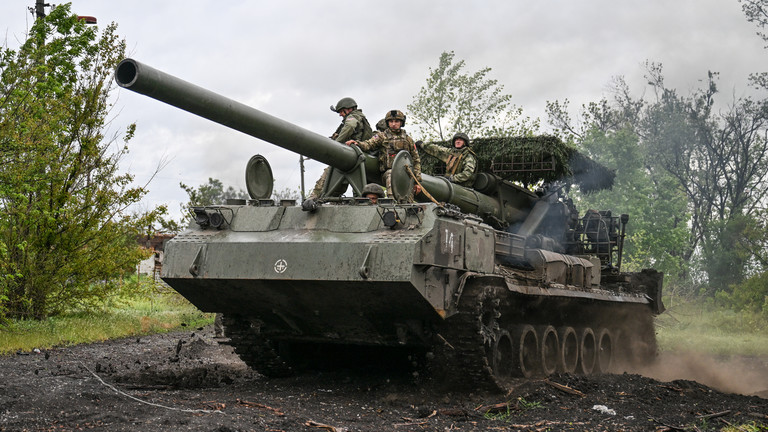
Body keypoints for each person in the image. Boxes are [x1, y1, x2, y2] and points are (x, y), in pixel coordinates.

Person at [306, 97, 373, 203]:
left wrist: (335, 144)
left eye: (341, 111)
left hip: (353, 153)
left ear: (349, 109)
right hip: (354, 154)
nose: (340, 114)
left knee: (329, 172)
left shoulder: (353, 117)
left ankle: (314, 196)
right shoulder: (357, 117)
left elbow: (350, 127)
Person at [346, 110, 422, 202]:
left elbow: (416, 160)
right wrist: (357, 143)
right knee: (391, 174)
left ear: (401, 123)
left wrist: (417, 181)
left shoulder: (408, 139)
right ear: (387, 123)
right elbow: (368, 144)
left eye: (396, 121)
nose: (394, 124)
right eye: (391, 121)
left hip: (405, 176)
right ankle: (392, 204)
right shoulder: (382, 136)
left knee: (409, 202)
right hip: (387, 173)